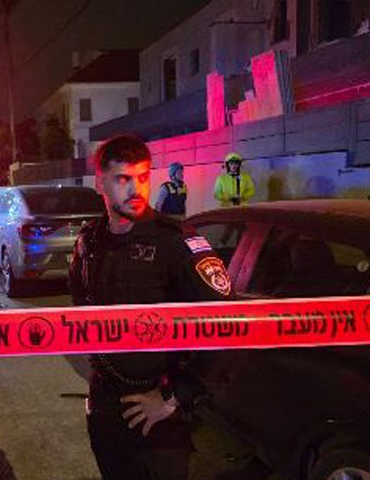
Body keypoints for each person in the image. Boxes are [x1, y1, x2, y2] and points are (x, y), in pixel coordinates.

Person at [69, 134, 232, 480]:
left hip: (159, 408)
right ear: (100, 183)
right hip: (105, 404)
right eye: (123, 179)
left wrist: (173, 396)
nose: (136, 190)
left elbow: (228, 325)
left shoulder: (176, 241)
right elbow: (81, 313)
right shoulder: (88, 242)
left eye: (143, 177)